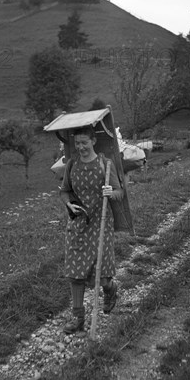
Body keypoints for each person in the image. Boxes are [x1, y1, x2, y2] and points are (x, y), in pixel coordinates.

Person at [59, 126, 124, 334]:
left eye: (84, 143)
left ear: (93, 141)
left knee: (102, 274)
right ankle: (78, 318)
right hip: (78, 224)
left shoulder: (106, 164)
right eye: (77, 143)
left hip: (101, 223)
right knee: (75, 274)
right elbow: (65, 192)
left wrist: (110, 192)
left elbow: (120, 192)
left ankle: (111, 289)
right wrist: (69, 205)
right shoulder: (72, 165)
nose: (80, 147)